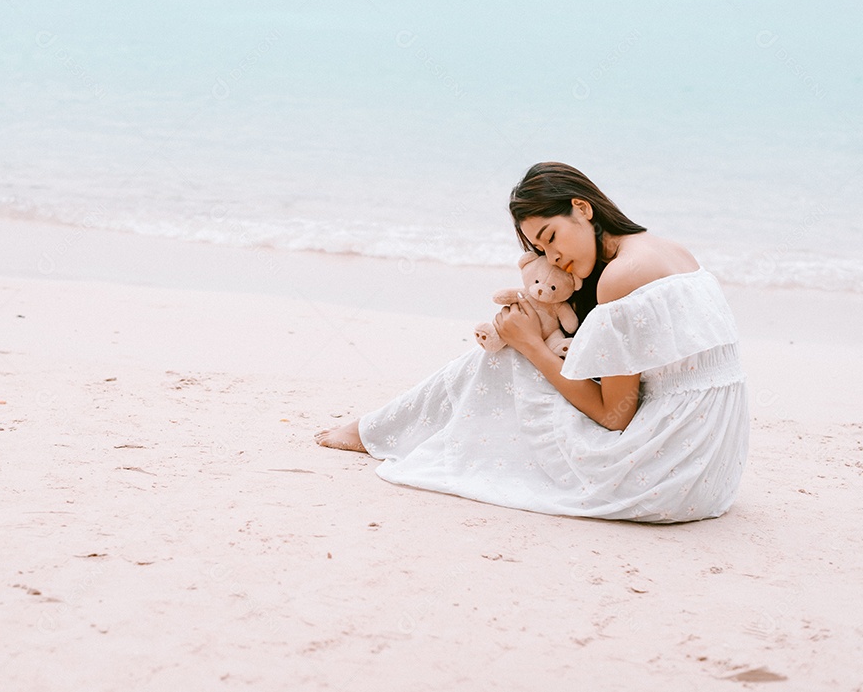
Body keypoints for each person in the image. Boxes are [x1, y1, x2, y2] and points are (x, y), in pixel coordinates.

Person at [315, 161, 749, 523]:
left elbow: (614, 417)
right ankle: (383, 428)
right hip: (713, 468)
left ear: (582, 208)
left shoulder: (619, 278)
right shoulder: (669, 250)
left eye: (552, 237)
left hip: (660, 472)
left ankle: (376, 431)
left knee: (508, 357)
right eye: (541, 250)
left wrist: (532, 347)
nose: (553, 258)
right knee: (520, 347)